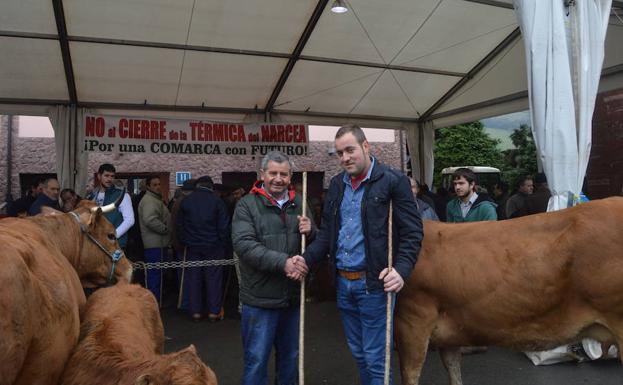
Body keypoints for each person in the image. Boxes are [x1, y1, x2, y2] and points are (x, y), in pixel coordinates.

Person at [302, 124, 422, 385]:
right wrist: (305, 259)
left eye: (350, 150)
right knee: (359, 354)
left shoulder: (393, 181)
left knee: (376, 358)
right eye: (339, 153)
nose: (344, 158)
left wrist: (401, 270)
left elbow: (413, 233)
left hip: (374, 284)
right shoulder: (336, 185)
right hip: (343, 283)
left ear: (366, 146)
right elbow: (326, 235)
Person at [232, 151, 314, 385]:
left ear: (290, 176)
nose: (278, 179)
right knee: (256, 360)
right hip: (260, 299)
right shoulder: (246, 205)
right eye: (273, 173)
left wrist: (312, 230)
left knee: (290, 358)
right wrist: (284, 263)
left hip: (291, 297)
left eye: (284, 174)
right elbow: (244, 245)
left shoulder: (300, 201)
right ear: (262, 174)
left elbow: (316, 242)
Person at [176, 176, 229, 322]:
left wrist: (186, 241)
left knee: (193, 279)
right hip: (214, 246)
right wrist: (222, 242)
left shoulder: (186, 201)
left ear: (198, 186)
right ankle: (213, 312)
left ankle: (196, 312)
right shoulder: (217, 201)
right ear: (211, 187)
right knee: (214, 280)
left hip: (192, 246)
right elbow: (224, 226)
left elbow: (179, 226)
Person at [138, 176, 171, 303]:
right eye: (154, 184)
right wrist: (165, 229)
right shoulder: (150, 201)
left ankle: (156, 301)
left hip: (157, 243)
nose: (158, 187)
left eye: (159, 184)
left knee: (156, 275)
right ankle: (154, 302)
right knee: (155, 276)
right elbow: (150, 220)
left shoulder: (154, 200)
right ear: (148, 186)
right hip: (155, 243)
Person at [87, 163, 134, 249]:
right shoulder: (92, 196)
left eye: (112, 176)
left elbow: (130, 220)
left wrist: (113, 236)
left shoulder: (122, 195)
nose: (109, 179)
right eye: (106, 175)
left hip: (115, 245)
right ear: (99, 176)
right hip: (97, 245)